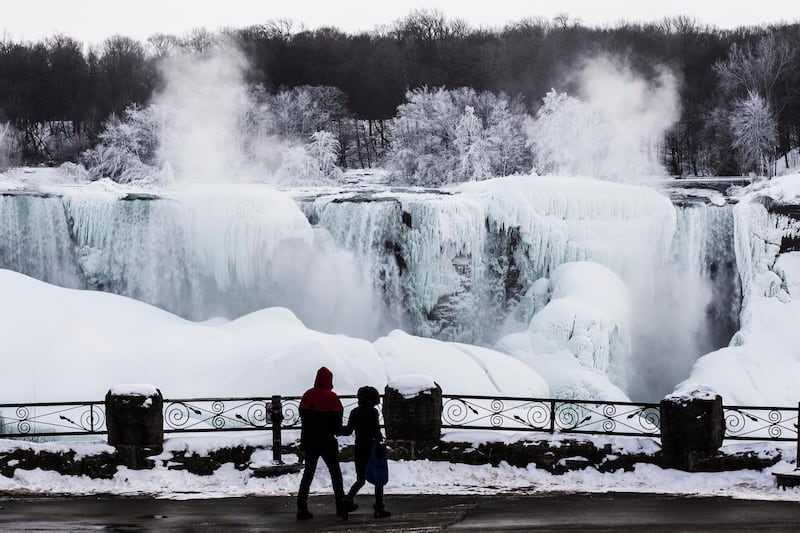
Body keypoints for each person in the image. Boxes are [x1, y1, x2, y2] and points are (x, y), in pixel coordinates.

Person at [296, 366, 348, 521]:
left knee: (308, 475)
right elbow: (337, 427)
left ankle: (301, 507)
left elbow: (302, 417)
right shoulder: (332, 398)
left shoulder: (307, 395)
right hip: (327, 441)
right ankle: (341, 507)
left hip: (310, 441)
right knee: (335, 474)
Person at [340, 385, 391, 519]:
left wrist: (335, 428)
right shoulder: (373, 412)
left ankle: (347, 500)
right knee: (378, 480)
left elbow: (348, 431)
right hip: (372, 448)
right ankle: (379, 508)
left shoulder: (355, 412)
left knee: (360, 479)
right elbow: (375, 429)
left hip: (359, 448)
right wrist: (380, 439)